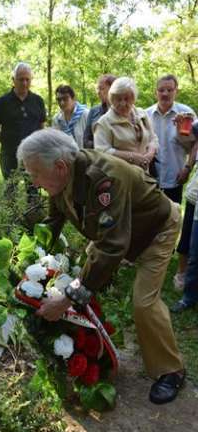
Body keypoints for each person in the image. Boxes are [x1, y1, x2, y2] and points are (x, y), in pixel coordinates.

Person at [17, 128, 185, 405]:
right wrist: (30, 262)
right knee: (87, 274)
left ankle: (171, 370)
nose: (34, 183)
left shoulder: (104, 178)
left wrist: (68, 297)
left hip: (156, 230)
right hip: (121, 233)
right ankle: (96, 342)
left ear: (60, 166)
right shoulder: (61, 179)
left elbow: (111, 247)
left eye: (35, 174)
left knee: (143, 303)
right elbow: (51, 224)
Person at [0, 62, 46, 199]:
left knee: (33, 192)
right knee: (10, 191)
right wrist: (7, 142)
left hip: (32, 155)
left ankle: (33, 219)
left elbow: (42, 127)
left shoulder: (38, 101)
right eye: (21, 79)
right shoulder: (1, 102)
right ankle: (10, 220)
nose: (24, 83)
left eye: (28, 79)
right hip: (9, 154)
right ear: (13, 80)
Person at [146, 74, 196, 204]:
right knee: (150, 220)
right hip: (149, 180)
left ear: (176, 91)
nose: (165, 93)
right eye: (161, 90)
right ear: (155, 92)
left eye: (169, 90)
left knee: (173, 220)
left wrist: (188, 168)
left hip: (175, 178)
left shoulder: (187, 114)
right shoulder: (146, 115)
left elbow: (196, 144)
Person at [94, 77, 158, 172]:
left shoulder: (141, 114)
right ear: (112, 99)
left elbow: (153, 138)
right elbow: (101, 151)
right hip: (120, 177)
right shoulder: (104, 122)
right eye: (118, 99)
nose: (123, 103)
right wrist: (131, 157)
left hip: (143, 175)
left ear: (134, 98)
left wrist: (150, 153)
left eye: (127, 99)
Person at [173, 121, 198, 290]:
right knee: (187, 231)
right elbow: (191, 144)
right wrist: (180, 128)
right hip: (195, 192)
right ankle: (182, 272)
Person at [83, 74, 117, 149]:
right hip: (98, 157)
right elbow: (86, 141)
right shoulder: (94, 111)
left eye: (102, 88)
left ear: (113, 88)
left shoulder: (124, 110)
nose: (98, 92)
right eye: (97, 89)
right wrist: (101, 146)